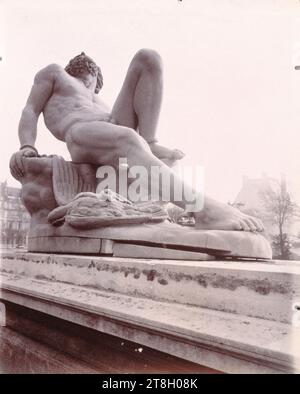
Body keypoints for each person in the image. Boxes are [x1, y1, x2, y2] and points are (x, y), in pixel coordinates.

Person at [10, 49, 263, 232]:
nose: (89, 68)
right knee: (129, 137)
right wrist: (27, 146)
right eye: (87, 67)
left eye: (94, 75)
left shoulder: (99, 100)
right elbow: (30, 110)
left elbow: (117, 119)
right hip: (81, 133)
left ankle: (149, 141)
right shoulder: (56, 74)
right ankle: (203, 209)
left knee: (148, 58)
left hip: (110, 128)